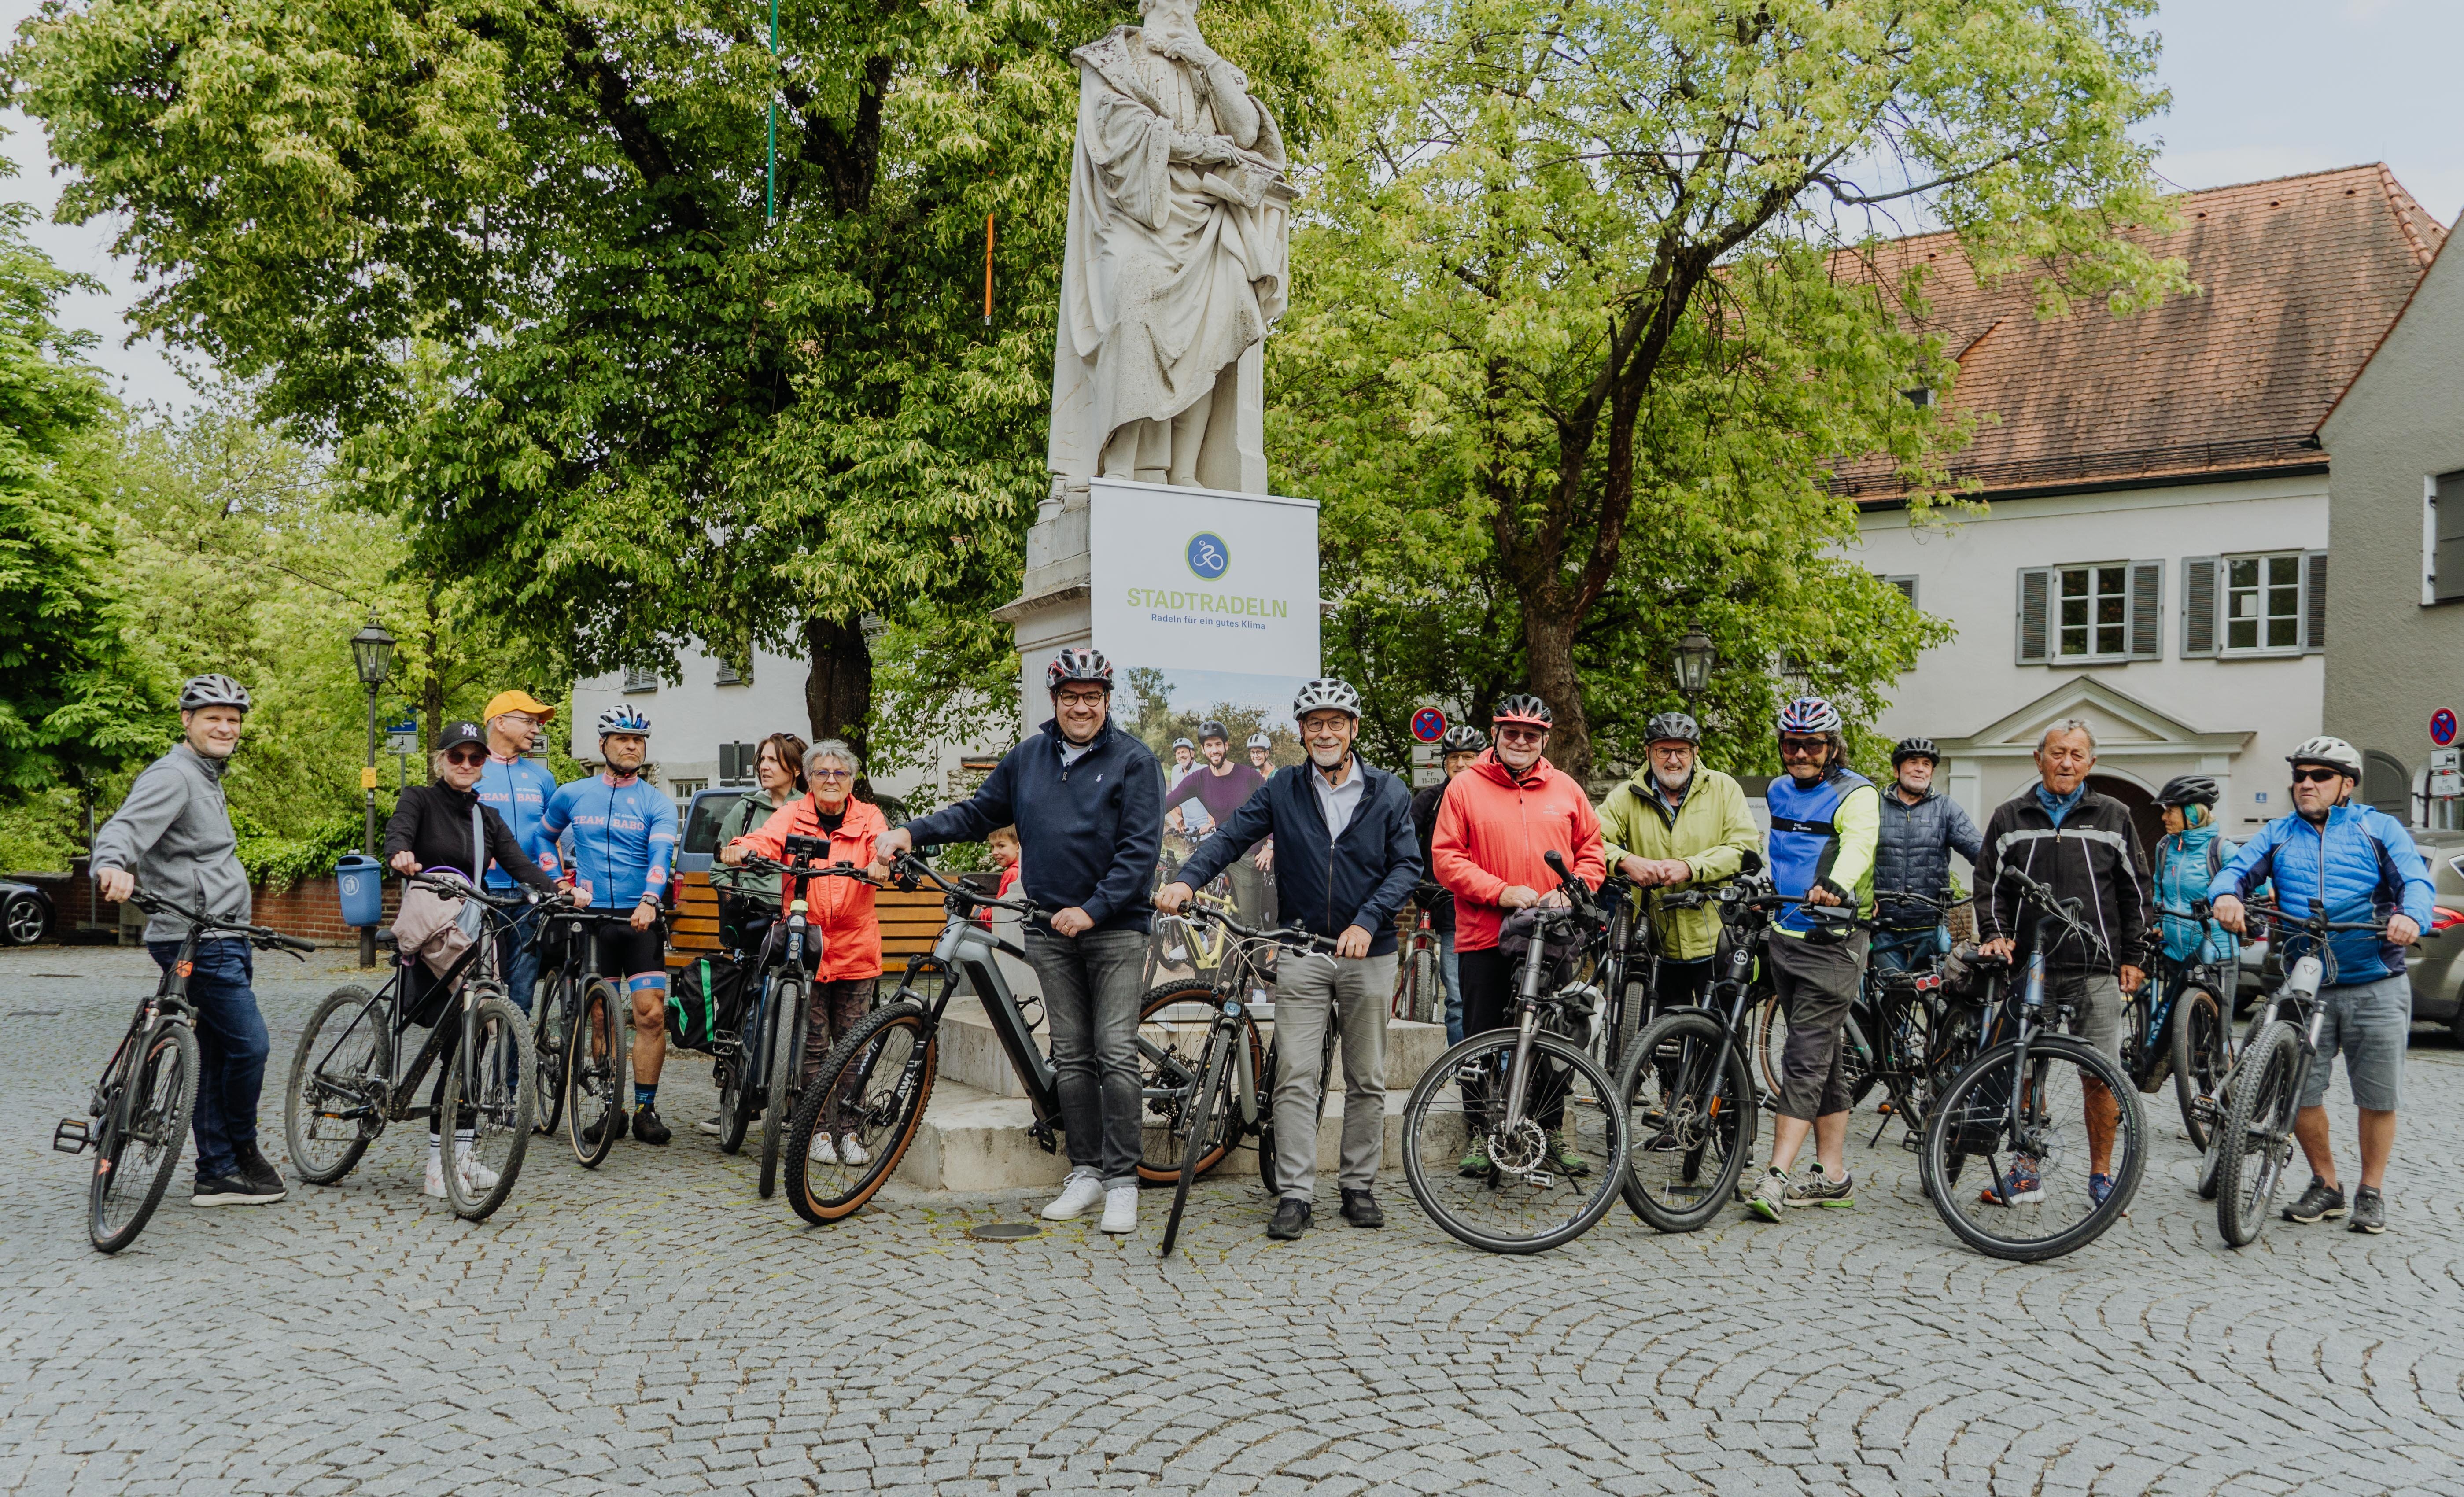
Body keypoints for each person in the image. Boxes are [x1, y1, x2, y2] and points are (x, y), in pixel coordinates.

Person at [874, 648, 1163, 1235]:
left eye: (1093, 697)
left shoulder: (1135, 761)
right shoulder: (1029, 758)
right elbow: (977, 813)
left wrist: (1093, 909)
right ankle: (1085, 1171)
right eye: (1070, 697)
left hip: (1113, 929)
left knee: (1113, 1049)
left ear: (1107, 702)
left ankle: (1123, 1181)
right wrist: (912, 831)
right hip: (1048, 926)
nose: (1082, 707)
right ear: (1054, 701)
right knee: (1073, 1054)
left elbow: (1140, 853)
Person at [1158, 678, 1421, 1238]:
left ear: (1353, 729)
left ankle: (1358, 1185)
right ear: (1301, 732)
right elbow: (1230, 839)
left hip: (1366, 952)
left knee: (1367, 1077)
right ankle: (1296, 1193)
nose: (1325, 732)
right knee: (1296, 1076)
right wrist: (1186, 880)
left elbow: (1406, 867)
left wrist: (1366, 920)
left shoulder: (1388, 790)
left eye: (1336, 722)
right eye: (1314, 724)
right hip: (1303, 949)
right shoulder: (1282, 787)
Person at [2210, 737, 2434, 1235]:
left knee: (2377, 1097)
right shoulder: (2278, 832)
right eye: (2300, 775)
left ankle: (2370, 1191)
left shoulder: (2379, 828)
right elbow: (2235, 870)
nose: (2305, 784)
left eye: (2320, 776)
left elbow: (2416, 882)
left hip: (2375, 980)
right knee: (2300, 1091)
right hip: (2304, 984)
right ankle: (2325, 1182)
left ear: (2346, 785)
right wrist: (2226, 894)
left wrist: (2410, 916)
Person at [90, 674, 287, 1208]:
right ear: (187, 721)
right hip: (197, 938)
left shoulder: (207, 775)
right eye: (213, 718)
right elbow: (124, 829)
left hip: (224, 933)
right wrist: (112, 864)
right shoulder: (174, 775)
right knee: (250, 1045)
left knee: (217, 1053)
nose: (226, 727)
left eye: (234, 720)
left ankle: (216, 1170)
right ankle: (240, 1152)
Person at [1971, 719, 2151, 1210]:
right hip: (2029, 968)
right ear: (2039, 758)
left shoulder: (2114, 815)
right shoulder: (2010, 816)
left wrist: (2134, 956)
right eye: (2057, 753)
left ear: (2090, 762)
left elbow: (2136, 891)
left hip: (2095, 966)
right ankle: (2026, 1171)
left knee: (2101, 1075)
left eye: (2076, 754)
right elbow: (1989, 883)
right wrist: (1994, 934)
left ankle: (2101, 1175)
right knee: (2026, 1070)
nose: (2066, 762)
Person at [1430, 693, 1606, 1177]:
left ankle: (1547, 1130)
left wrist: (1572, 893)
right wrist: (1500, 891)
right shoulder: (1464, 787)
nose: (1521, 741)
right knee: (1480, 1037)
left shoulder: (1567, 789)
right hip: (1484, 933)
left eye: (1531, 734)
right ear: (1496, 734)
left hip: (1550, 937)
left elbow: (1593, 853)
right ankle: (1482, 1132)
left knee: (1553, 1037)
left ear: (1544, 739)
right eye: (1512, 732)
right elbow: (1446, 858)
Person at [384, 720, 563, 1197]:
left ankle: (458, 1155)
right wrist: (401, 854)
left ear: (484, 764)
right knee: (454, 1041)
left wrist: (559, 891)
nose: (466, 765)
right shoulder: (418, 799)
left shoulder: (486, 816)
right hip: (432, 932)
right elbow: (397, 836)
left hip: (469, 926)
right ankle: (436, 1165)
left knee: (473, 1042)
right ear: (441, 760)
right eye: (457, 756)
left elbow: (518, 862)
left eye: (475, 758)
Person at [1743, 695, 1881, 1221]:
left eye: (1812, 744)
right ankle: (1833, 1176)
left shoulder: (1858, 794)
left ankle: (1776, 1174)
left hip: (1835, 940)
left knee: (1802, 1055)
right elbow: (1780, 852)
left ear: (1832, 746)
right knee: (1823, 1061)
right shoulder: (1778, 790)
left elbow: (1859, 847)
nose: (1800, 752)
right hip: (1784, 934)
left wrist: (1835, 885)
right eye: (1791, 743)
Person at [721, 740, 887, 1167]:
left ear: (851, 780)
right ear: (809, 779)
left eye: (840, 774)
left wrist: (883, 863)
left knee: (853, 1044)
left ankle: (850, 1129)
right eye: (822, 773)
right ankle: (815, 1128)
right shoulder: (792, 814)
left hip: (854, 948)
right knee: (811, 1044)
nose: (831, 780)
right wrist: (745, 848)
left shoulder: (867, 816)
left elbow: (883, 847)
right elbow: (766, 839)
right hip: (807, 944)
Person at [540, 706, 680, 1145]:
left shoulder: (656, 802)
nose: (630, 746)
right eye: (622, 738)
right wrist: (560, 882)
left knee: (651, 1014)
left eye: (637, 740)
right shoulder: (572, 794)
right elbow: (543, 838)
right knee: (599, 1017)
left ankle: (644, 1107)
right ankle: (610, 1105)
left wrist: (650, 899)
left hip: (639, 919)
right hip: (590, 917)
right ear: (603, 745)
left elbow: (661, 856)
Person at [1593, 711, 1759, 1013]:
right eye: (1663, 750)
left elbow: (1743, 848)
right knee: (1664, 1041)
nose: (1673, 760)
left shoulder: (1724, 789)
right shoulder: (1625, 796)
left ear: (1696, 752)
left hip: (1715, 938)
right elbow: (1590, 841)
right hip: (1656, 940)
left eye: (1682, 751)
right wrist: (1626, 861)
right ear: (1649, 752)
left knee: (1718, 1036)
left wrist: (1691, 867)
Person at [696, 731, 804, 1135]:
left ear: (795, 768)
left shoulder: (807, 812)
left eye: (774, 760)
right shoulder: (744, 809)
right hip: (754, 917)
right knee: (748, 1000)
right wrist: (732, 896)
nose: (764, 766)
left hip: (796, 916)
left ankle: (792, 1097)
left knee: (800, 1002)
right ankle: (738, 1095)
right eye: (762, 759)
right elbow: (719, 867)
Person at [474, 690, 564, 1017]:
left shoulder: (542, 777)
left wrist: (559, 881)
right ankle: (465, 1067)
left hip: (531, 899)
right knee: (479, 994)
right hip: (484, 896)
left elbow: (552, 838)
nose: (537, 729)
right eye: (528, 721)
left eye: (538, 723)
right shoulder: (471, 768)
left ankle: (513, 1069)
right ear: (499, 722)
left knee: (521, 998)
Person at [1870, 736, 1982, 974]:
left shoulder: (1945, 808)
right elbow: (1852, 853)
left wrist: (2003, 876)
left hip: (1930, 922)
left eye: (1927, 764)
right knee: (1892, 995)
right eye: (1913, 762)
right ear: (1896, 769)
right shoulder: (1873, 805)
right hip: (1884, 924)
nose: (1920, 768)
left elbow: (1980, 851)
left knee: (1935, 996)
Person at [1410, 724, 1487, 1044]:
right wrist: (1415, 878)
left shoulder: (1497, 800)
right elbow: (1402, 841)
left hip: (1495, 916)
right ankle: (1463, 1070)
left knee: (1495, 1000)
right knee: (1456, 1000)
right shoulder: (1429, 800)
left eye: (1468, 757)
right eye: (1454, 757)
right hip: (1450, 913)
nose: (1460, 764)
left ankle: (1500, 1067)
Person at [2150, 774, 2242, 1015]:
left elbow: (2257, 887)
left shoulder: (2222, 850)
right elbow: (2159, 887)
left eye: (2170, 811)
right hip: (2175, 954)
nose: (2164, 817)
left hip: (2216, 955)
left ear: (2192, 813)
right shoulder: (2165, 847)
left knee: (2215, 1031)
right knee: (2177, 1033)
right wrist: (2159, 922)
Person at [1165, 720, 1271, 927]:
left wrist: (1270, 846)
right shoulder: (1199, 779)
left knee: (1251, 925)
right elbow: (1167, 802)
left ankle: (1256, 959)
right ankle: (1199, 933)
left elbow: (1276, 808)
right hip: (1220, 848)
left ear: (1226, 746)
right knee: (1177, 870)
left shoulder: (1248, 776)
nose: (1214, 750)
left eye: (1218, 745)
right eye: (1209, 746)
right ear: (1203, 750)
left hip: (1249, 853)